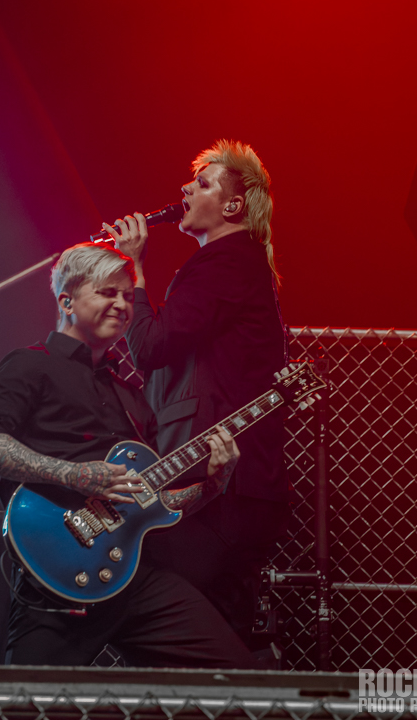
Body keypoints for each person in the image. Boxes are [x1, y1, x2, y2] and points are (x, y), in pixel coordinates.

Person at [0, 242, 254, 668]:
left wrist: (214, 484)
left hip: (134, 577)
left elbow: (156, 504)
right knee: (29, 698)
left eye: (127, 295)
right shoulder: (29, 365)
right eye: (107, 293)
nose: (122, 304)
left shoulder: (130, 394)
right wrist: (75, 475)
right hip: (57, 574)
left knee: (236, 672)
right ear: (67, 302)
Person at [108, 139, 289, 647]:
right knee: (213, 621)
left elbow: (151, 345)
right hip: (227, 481)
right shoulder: (231, 263)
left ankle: (238, 678)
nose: (186, 189)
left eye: (202, 183)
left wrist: (134, 269)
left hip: (225, 483)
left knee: (175, 611)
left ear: (232, 206)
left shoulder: (225, 263)